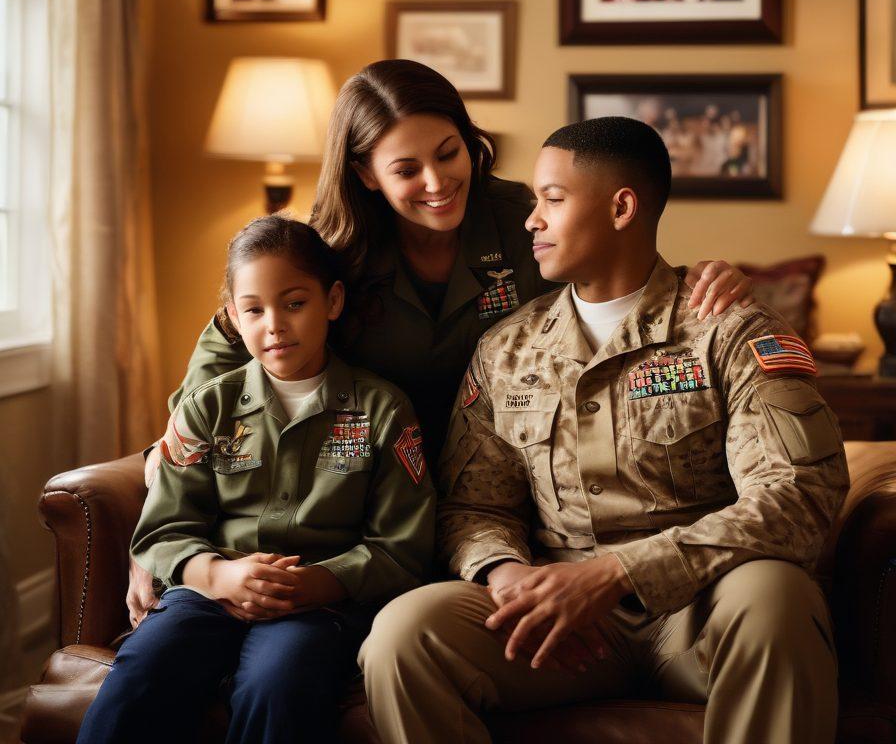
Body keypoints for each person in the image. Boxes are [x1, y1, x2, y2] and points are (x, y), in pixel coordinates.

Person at [128, 61, 754, 625]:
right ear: (365, 176)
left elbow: (618, 267)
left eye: (449, 153)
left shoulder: (522, 220)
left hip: (493, 491)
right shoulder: (327, 252)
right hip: (368, 498)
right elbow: (218, 368)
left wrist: (695, 279)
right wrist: (160, 544)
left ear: (471, 142)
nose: (437, 181)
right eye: (405, 169)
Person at [360, 117, 849, 744]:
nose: (531, 220)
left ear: (622, 208)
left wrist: (618, 575)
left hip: (702, 606)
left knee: (777, 596)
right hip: (554, 615)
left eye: (552, 200)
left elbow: (796, 497)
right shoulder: (506, 348)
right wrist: (507, 577)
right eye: (533, 200)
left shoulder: (730, 331)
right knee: (405, 634)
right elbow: (474, 504)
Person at [79, 216, 434, 744]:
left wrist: (312, 583)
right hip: (207, 593)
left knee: (279, 683)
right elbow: (163, 528)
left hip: (319, 604)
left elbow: (402, 547)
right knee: (146, 669)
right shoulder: (207, 406)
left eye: (295, 303)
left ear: (332, 302)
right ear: (233, 318)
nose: (275, 324)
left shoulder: (383, 410)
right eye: (254, 310)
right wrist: (216, 576)